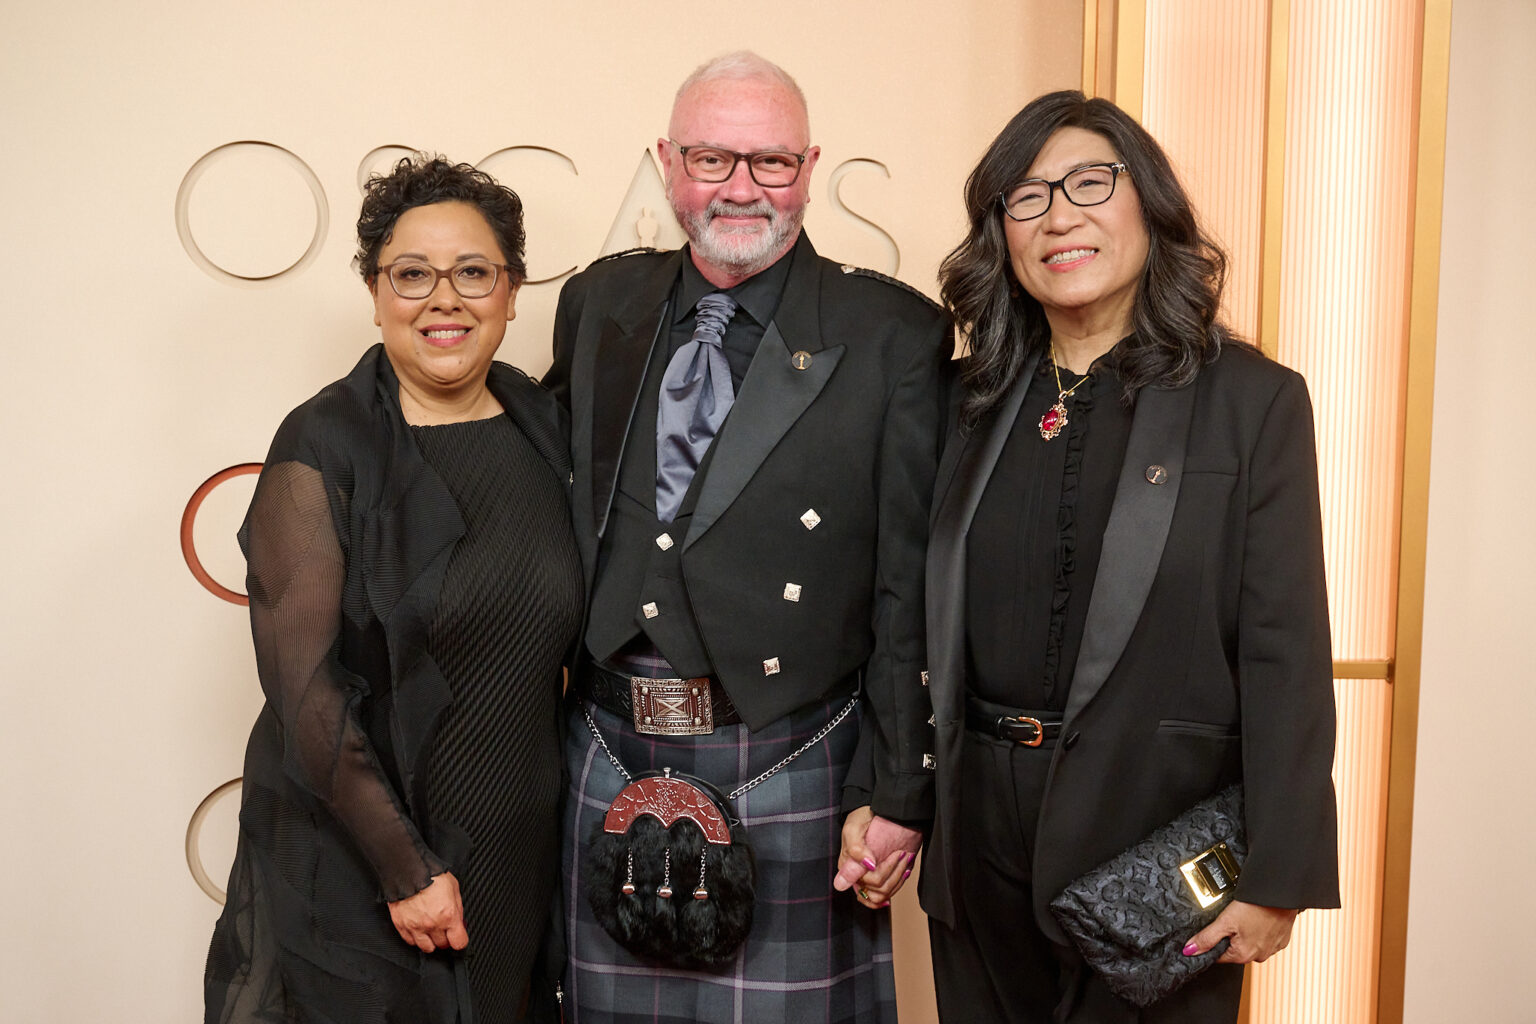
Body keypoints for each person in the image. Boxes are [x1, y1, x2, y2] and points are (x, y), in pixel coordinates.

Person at [543, 51, 950, 1023]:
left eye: (769, 162)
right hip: (604, 741)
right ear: (667, 161)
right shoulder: (598, 301)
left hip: (787, 749)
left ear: (809, 167)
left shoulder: (892, 333)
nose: (740, 187)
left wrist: (897, 790)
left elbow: (908, 588)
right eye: (711, 158)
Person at [919, 91, 1341, 1022]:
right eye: (1025, 198)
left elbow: (1286, 649)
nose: (1059, 216)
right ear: (1001, 233)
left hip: (1156, 840)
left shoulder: (1252, 402)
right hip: (979, 828)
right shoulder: (968, 400)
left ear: (1149, 204)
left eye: (1088, 184)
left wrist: (1279, 871)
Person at [204, 156, 582, 1024]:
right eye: (412, 274)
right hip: (363, 865)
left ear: (513, 291)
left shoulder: (546, 428)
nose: (443, 299)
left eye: (473, 272)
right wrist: (407, 873)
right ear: (376, 292)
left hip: (515, 858)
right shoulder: (323, 444)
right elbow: (304, 691)